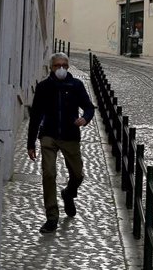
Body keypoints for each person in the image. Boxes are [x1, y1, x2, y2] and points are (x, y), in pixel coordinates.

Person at [27, 52, 95, 233]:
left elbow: (89, 107)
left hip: (70, 135)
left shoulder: (76, 85)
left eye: (64, 65)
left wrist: (85, 119)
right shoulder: (44, 87)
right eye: (57, 65)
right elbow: (35, 116)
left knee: (78, 175)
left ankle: (68, 193)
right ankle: (52, 217)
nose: (61, 68)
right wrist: (31, 143)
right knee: (49, 174)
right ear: (51, 67)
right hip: (48, 135)